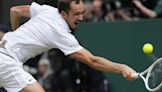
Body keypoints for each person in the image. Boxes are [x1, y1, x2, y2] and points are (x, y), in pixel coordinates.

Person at [0, 0, 136, 92]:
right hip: (7, 63)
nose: (81, 18)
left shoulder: (47, 10)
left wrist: (15, 33)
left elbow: (15, 11)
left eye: (82, 13)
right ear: (63, 14)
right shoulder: (61, 34)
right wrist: (121, 68)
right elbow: (92, 61)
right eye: (76, 14)